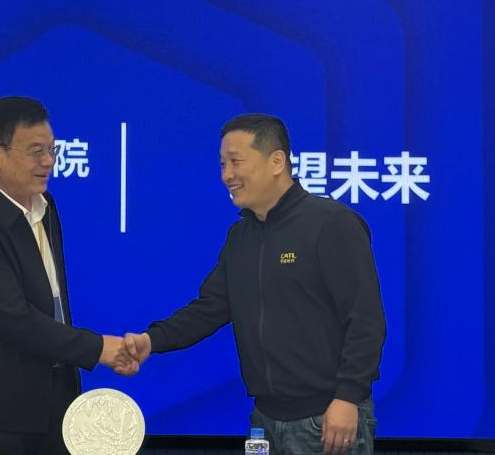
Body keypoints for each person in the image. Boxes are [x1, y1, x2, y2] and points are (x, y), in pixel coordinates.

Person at [125, 114, 385, 455]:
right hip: (264, 420)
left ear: (277, 161)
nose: (226, 175)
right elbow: (210, 308)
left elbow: (365, 320)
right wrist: (151, 340)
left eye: (236, 162)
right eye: (222, 164)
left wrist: (347, 397)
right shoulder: (240, 236)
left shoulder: (332, 224)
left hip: (325, 419)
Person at [0, 96, 137, 455]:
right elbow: (14, 319)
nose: (48, 161)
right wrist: (99, 348)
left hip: (53, 401)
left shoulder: (45, 205)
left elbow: (53, 302)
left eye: (51, 150)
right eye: (35, 152)